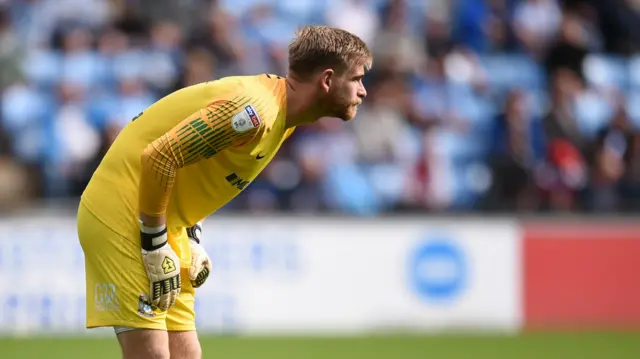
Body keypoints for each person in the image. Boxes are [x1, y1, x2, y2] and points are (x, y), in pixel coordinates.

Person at [77, 25, 371, 359]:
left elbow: (203, 174)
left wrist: (191, 234)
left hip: (160, 222)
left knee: (187, 355)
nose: (362, 91)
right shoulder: (254, 111)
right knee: (153, 355)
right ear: (328, 79)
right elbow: (159, 156)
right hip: (122, 212)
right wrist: (154, 243)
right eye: (357, 79)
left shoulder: (284, 120)